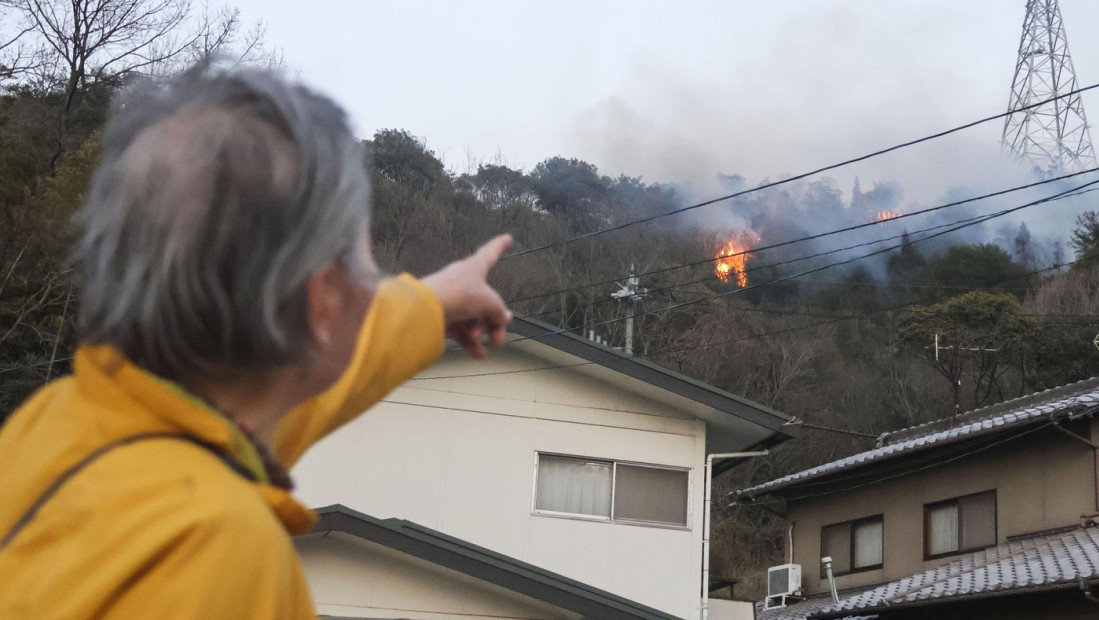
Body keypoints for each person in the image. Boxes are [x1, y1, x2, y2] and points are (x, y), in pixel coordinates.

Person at [0, 64, 512, 618]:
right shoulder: (215, 549)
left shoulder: (54, 426)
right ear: (322, 300)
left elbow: (310, 376)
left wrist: (434, 302)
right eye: (368, 264)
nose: (376, 286)